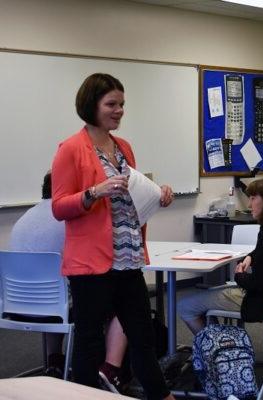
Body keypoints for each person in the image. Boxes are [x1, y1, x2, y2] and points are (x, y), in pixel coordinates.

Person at [51, 73, 175, 400]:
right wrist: (94, 192)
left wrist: (158, 193)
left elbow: (132, 195)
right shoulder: (71, 149)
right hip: (91, 264)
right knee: (90, 342)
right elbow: (59, 207)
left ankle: (161, 395)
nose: (119, 110)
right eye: (111, 104)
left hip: (128, 256)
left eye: (122, 104)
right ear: (92, 105)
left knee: (142, 336)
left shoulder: (124, 147)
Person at [9, 172, 129, 391]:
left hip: (17, 306)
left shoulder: (22, 220)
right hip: (59, 307)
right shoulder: (70, 220)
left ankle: (54, 361)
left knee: (55, 291)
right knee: (125, 301)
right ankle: (111, 370)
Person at [178, 177, 263, 334]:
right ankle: (221, 345)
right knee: (205, 297)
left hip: (258, 301)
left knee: (185, 306)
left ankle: (219, 351)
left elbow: (256, 283)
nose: (249, 205)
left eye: (253, 198)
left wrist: (238, 275)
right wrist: (251, 257)